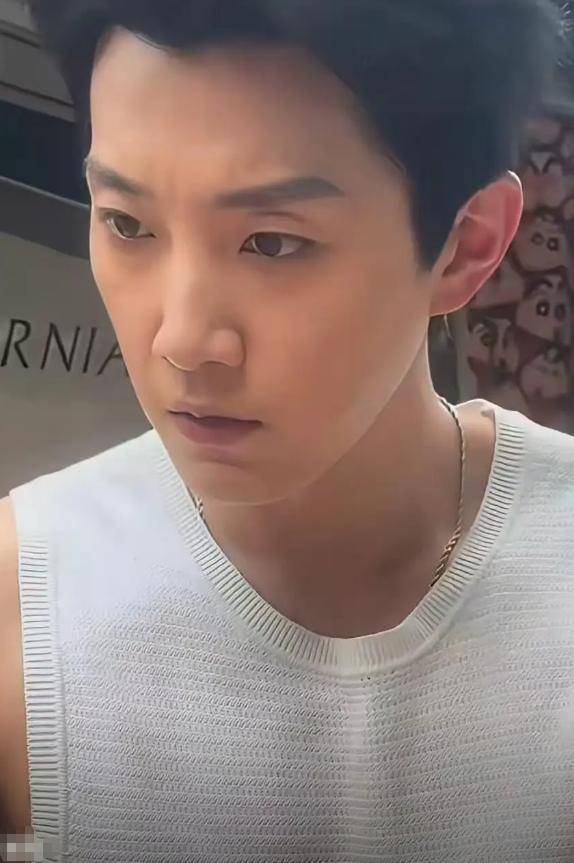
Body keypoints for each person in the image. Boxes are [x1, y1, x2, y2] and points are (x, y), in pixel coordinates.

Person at [1, 0, 572, 859]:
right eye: (127, 223)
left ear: (465, 246)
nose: (183, 340)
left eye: (271, 243)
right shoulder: (23, 611)